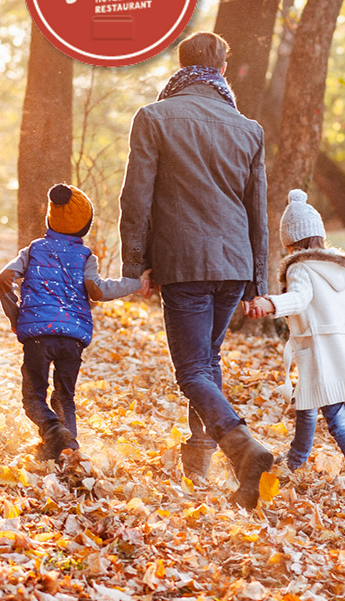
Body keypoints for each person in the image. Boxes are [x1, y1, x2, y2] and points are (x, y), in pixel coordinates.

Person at [118, 31, 273, 509]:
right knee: (208, 362)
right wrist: (258, 281)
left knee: (190, 371)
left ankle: (242, 447)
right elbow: (257, 211)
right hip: (233, 265)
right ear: (223, 70)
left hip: (184, 263)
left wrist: (134, 266)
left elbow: (135, 198)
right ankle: (201, 459)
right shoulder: (249, 128)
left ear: (181, 65)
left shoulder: (154, 117)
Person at [248, 190, 345, 499]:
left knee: (337, 421)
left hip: (320, 356)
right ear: (320, 236)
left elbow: (299, 299)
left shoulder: (300, 268)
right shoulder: (342, 267)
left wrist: (270, 303)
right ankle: (294, 462)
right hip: (340, 352)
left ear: (290, 242)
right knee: (306, 408)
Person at [0, 184, 146, 461]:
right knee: (65, 395)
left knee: (33, 397)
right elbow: (97, 291)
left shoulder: (32, 250)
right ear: (84, 226)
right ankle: (69, 450)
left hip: (37, 337)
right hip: (72, 339)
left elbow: (4, 279)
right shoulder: (86, 256)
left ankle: (53, 433)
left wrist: (16, 317)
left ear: (50, 219)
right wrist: (134, 284)